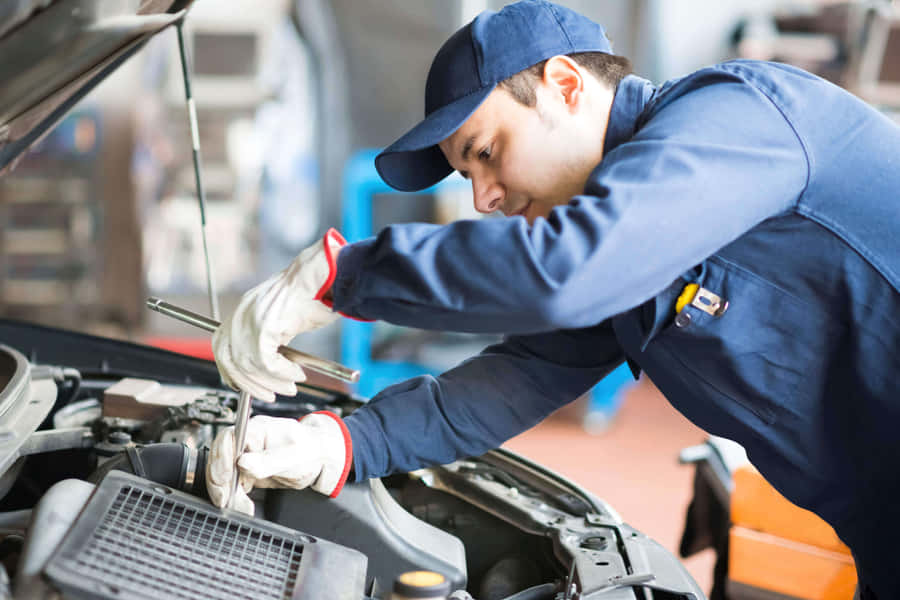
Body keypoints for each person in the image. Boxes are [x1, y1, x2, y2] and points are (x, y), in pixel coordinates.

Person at [204, 1, 900, 597]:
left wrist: (344, 276)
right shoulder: (631, 246)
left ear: (566, 85)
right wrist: (339, 443)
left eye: (485, 151)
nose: (483, 197)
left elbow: (565, 272)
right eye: (465, 172)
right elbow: (509, 384)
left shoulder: (738, 117)